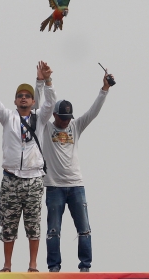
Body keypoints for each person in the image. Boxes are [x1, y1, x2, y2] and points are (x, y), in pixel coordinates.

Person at [37, 71, 114, 273]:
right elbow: (39, 107)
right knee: (54, 230)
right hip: (54, 186)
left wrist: (104, 89)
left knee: (85, 229)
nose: (65, 121)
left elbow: (92, 112)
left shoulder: (75, 126)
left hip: (76, 185)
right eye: (62, 118)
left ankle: (85, 267)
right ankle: (54, 267)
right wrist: (45, 82)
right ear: (54, 115)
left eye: (67, 117)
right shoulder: (44, 127)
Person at [0, 60, 56, 273]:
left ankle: (33, 265)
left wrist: (48, 80)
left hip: (34, 178)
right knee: (8, 225)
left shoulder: (40, 118)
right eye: (20, 96)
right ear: (15, 101)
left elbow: (51, 103)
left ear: (33, 100)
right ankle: (7, 266)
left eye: (27, 96)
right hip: (11, 177)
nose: (23, 98)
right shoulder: (8, 117)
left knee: (33, 224)